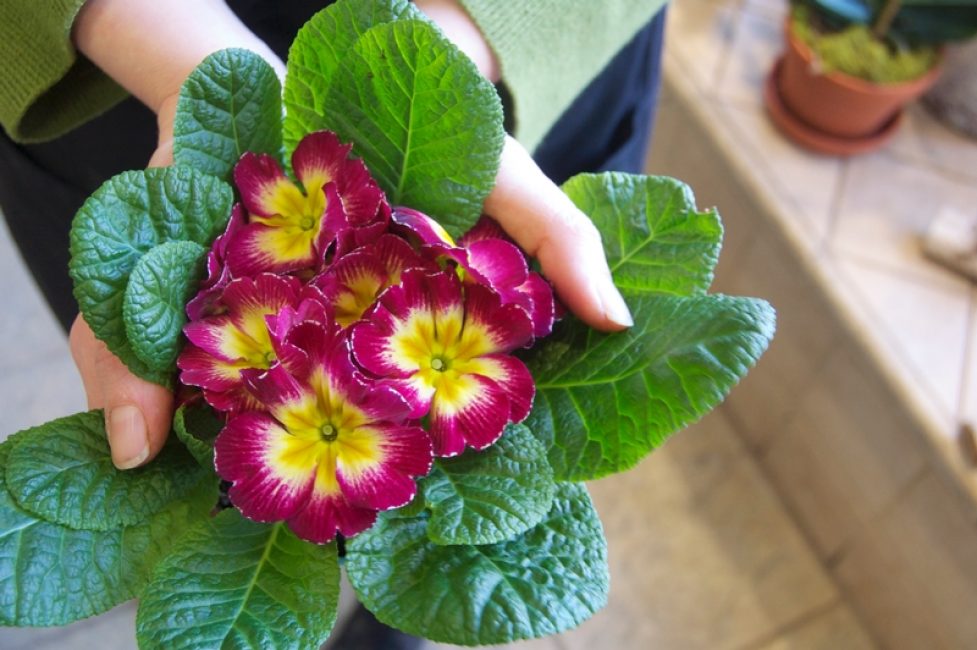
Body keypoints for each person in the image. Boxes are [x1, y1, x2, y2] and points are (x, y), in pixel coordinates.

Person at [0, 0, 665, 644]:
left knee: (433, 529)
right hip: (115, 68)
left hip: (551, 41)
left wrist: (450, 61)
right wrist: (152, 40)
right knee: (186, 434)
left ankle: (402, 611)